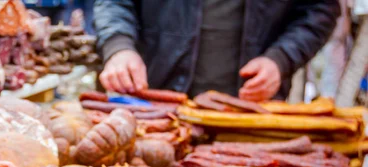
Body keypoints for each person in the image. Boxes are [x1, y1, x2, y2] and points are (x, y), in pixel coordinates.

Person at [94, 1, 341, 101]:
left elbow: (320, 10)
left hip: (251, 116)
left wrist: (281, 59)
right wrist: (119, 47)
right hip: (155, 108)